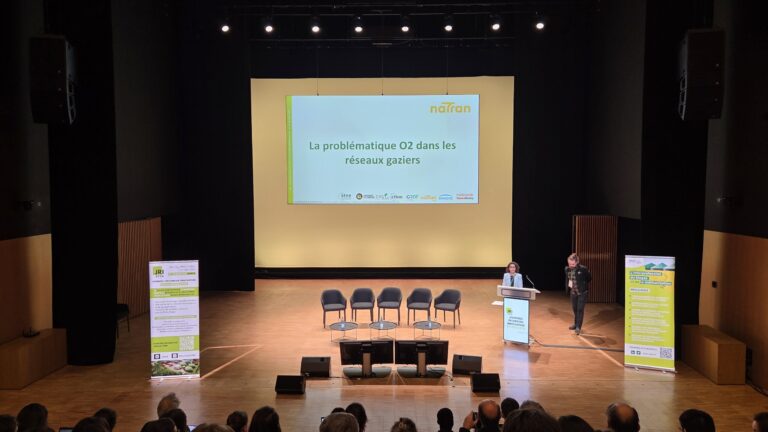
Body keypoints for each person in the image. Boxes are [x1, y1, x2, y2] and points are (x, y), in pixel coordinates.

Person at [564, 253, 591, 335]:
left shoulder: (583, 269)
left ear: (577, 262)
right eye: (569, 263)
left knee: (580, 310)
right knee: (575, 309)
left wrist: (583, 285)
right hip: (573, 293)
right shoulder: (567, 269)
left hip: (582, 293)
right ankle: (575, 324)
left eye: (572, 264)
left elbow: (589, 278)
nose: (571, 265)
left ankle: (578, 327)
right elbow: (568, 279)